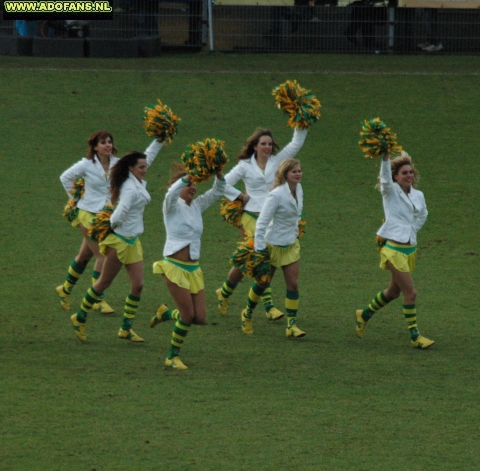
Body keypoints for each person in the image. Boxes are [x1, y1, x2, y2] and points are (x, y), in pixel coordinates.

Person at [70, 140, 164, 343]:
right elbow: (117, 214)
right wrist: (111, 226)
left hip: (133, 241)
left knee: (138, 285)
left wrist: (160, 140)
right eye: (142, 167)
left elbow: (148, 156)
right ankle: (79, 317)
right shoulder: (130, 189)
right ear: (131, 168)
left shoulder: (133, 177)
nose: (145, 170)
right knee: (103, 283)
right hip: (120, 242)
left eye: (145, 166)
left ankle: (126, 328)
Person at [216, 127, 308, 322]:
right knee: (258, 260)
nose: (267, 147)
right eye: (263, 144)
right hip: (251, 215)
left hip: (274, 216)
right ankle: (269, 306)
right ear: (255, 146)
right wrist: (239, 195)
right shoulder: (244, 165)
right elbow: (223, 183)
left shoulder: (278, 161)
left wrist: (301, 123)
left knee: (251, 263)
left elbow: (296, 143)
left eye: (269, 144)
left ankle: (224, 292)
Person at [150, 166, 229, 370]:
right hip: (174, 267)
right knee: (187, 316)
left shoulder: (196, 205)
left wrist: (219, 174)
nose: (193, 187)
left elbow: (218, 191)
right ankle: (172, 356)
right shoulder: (171, 205)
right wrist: (187, 177)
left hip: (194, 269)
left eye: (195, 184)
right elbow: (170, 193)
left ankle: (165, 314)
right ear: (181, 185)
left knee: (199, 318)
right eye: (190, 184)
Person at [355, 151, 434, 349]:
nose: (408, 175)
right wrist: (384, 158)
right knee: (411, 293)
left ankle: (363, 315)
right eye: (404, 173)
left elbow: (423, 215)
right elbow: (384, 178)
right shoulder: (390, 192)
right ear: (396, 177)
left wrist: (412, 229)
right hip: (393, 250)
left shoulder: (418, 195)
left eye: (410, 172)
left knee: (392, 293)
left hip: (410, 250)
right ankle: (415, 336)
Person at [57, 131, 132, 315]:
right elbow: (65, 177)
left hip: (105, 217)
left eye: (109, 141)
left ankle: (64, 290)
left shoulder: (118, 164)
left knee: (84, 256)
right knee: (103, 256)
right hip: (87, 215)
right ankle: (97, 299)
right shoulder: (86, 165)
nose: (107, 144)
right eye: (103, 142)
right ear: (95, 147)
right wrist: (74, 198)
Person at [241, 158, 306, 338]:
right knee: (263, 283)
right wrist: (260, 250)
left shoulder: (299, 189)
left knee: (293, 284)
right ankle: (247, 313)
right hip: (271, 245)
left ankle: (291, 325)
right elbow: (261, 223)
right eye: (294, 171)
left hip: (291, 245)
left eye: (300, 171)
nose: (298, 174)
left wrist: (295, 231)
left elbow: (297, 215)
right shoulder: (276, 194)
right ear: (285, 175)